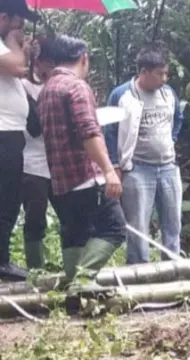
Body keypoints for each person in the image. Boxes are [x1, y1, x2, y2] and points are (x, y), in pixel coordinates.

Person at [37, 35, 126, 282]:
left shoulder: (47, 90)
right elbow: (89, 132)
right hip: (85, 176)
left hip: (60, 181)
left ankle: (70, 291)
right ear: (83, 58)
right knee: (114, 228)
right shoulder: (76, 87)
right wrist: (108, 170)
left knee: (75, 234)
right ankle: (81, 284)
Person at [104, 44, 184, 265]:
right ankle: (139, 273)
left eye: (166, 73)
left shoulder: (168, 94)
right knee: (138, 225)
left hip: (168, 166)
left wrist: (171, 141)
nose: (164, 78)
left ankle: (172, 269)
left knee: (173, 223)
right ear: (144, 72)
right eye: (160, 73)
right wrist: (115, 165)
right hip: (138, 168)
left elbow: (178, 118)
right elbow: (109, 131)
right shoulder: (122, 94)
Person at [0, 0, 39, 281]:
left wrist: (25, 52)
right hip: (3, 134)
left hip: (11, 133)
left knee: (9, 198)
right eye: (18, 23)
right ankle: (1, 262)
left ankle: (2, 259)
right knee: (5, 198)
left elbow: (22, 70)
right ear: (3, 17)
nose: (22, 29)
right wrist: (16, 45)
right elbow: (15, 67)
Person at [20, 47, 55, 269]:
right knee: (35, 219)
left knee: (73, 216)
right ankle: (36, 270)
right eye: (49, 64)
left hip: (58, 163)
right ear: (38, 62)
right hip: (32, 164)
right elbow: (34, 127)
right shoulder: (22, 87)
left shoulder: (58, 87)